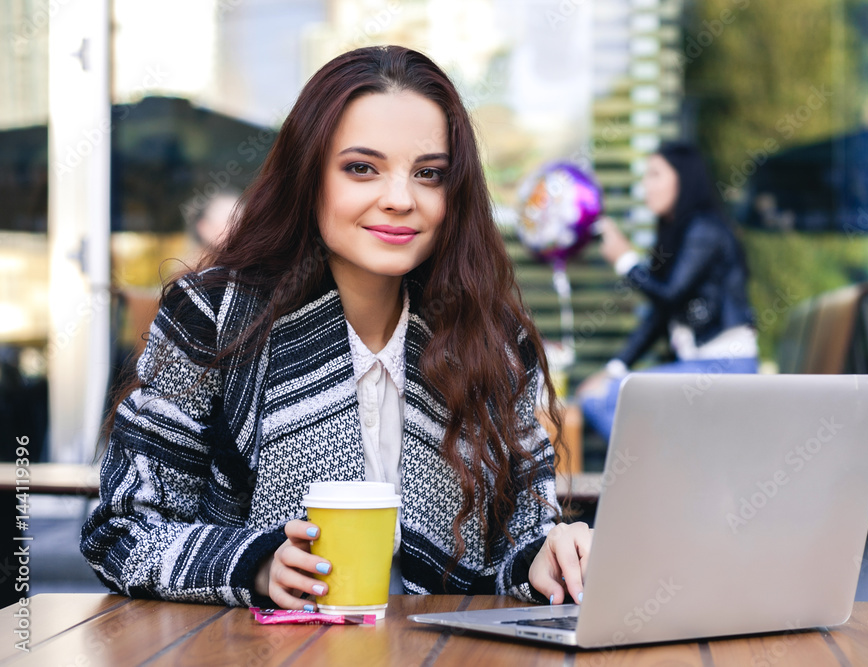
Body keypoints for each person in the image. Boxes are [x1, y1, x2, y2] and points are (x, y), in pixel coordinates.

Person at [81, 45, 591, 611]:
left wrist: (544, 556)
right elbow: (121, 533)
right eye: (361, 168)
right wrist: (254, 564)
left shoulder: (490, 336)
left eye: (429, 174)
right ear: (310, 175)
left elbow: (518, 542)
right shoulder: (214, 318)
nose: (400, 200)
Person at [578, 142, 757, 441]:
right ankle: (670, 473)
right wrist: (615, 368)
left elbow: (669, 294)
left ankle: (663, 475)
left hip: (726, 368)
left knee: (599, 399)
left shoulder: (705, 230)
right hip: (696, 367)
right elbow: (659, 316)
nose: (645, 186)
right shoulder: (678, 233)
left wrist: (625, 258)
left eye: (655, 175)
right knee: (596, 395)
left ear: (683, 178)